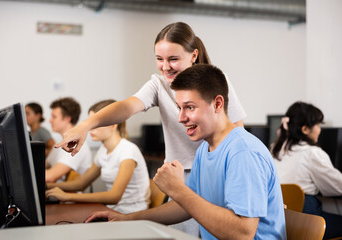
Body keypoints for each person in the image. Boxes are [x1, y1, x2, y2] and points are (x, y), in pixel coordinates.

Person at [55, 22, 246, 236]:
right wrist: (86, 125)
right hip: (179, 174)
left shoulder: (216, 84)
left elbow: (238, 135)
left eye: (173, 59)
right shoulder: (159, 84)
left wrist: (251, 186)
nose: (165, 67)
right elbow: (128, 106)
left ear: (193, 55)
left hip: (216, 172)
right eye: (159, 59)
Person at [84, 64, 286, 240]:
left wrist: (178, 190)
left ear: (217, 104)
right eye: (179, 108)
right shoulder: (205, 149)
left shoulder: (243, 152)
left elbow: (242, 234)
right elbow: (185, 205)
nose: (181, 118)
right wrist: (128, 219)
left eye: (189, 107)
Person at [46, 99, 150, 214]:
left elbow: (114, 196)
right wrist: (48, 186)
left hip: (131, 215)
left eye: (96, 123)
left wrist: (67, 196)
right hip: (114, 211)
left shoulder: (128, 151)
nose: (90, 128)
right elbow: (82, 183)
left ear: (113, 124)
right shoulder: (103, 150)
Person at [271, 101, 342, 239]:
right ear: (305, 129)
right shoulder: (311, 153)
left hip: (281, 223)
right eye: (318, 124)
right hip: (306, 224)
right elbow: (338, 185)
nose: (320, 129)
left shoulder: (274, 149)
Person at [46, 97, 92, 183]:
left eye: (54, 117)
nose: (50, 120)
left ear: (67, 119)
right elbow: (45, 165)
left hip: (69, 195)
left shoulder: (76, 145)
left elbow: (50, 177)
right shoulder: (60, 143)